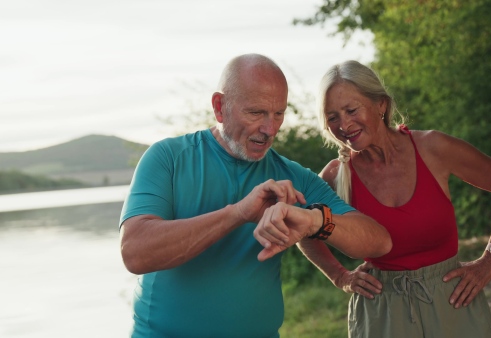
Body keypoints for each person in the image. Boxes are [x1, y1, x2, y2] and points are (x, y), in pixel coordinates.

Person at [118, 54, 391, 338]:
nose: (270, 129)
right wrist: (238, 213)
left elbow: (377, 241)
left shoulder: (293, 176)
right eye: (256, 113)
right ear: (219, 107)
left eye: (278, 114)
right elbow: (135, 253)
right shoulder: (167, 158)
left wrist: (314, 222)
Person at [297, 60, 491, 338]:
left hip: (453, 303)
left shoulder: (433, 148)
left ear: (380, 104)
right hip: (382, 312)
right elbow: (304, 229)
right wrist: (340, 276)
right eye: (332, 117)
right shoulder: (336, 175)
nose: (343, 124)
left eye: (351, 110)